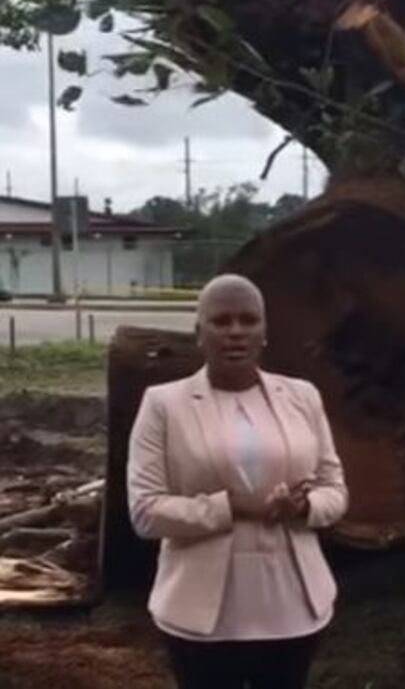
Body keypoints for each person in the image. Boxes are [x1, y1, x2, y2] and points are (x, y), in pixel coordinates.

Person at [127, 274, 348, 689]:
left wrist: (305, 507)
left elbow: (336, 491)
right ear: (199, 333)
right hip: (201, 616)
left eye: (248, 321)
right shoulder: (164, 405)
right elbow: (144, 512)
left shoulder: (303, 397)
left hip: (293, 607)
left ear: (265, 332)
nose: (235, 332)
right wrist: (231, 506)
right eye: (221, 321)